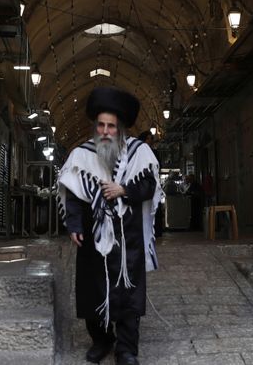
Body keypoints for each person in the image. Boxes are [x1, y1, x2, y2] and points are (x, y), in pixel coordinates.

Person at [58, 87, 163, 365]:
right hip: (94, 237)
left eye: (111, 127)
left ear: (121, 129)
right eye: (101, 125)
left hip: (128, 236)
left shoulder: (140, 153)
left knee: (129, 293)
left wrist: (123, 189)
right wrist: (74, 224)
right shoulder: (81, 155)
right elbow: (73, 193)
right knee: (93, 290)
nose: (105, 131)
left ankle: (127, 349)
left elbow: (150, 186)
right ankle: (102, 340)